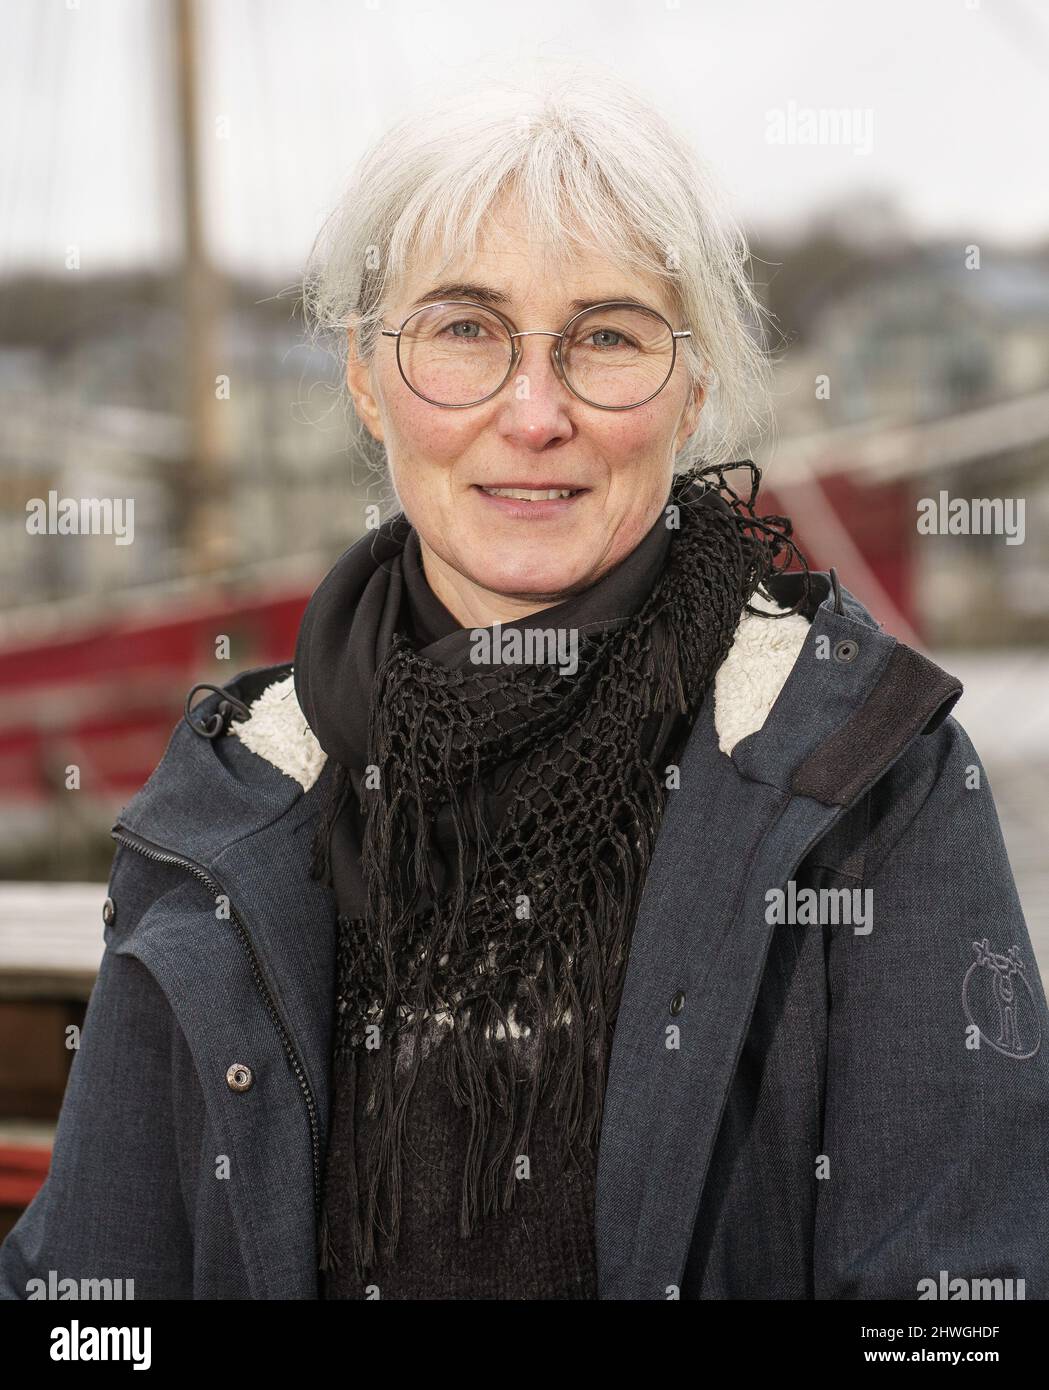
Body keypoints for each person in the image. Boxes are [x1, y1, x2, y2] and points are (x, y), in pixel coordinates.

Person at [3, 64, 1047, 1302]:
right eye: (461, 330)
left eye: (604, 335)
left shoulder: (867, 778)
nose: (533, 410)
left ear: (694, 384)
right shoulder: (227, 796)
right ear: (363, 374)